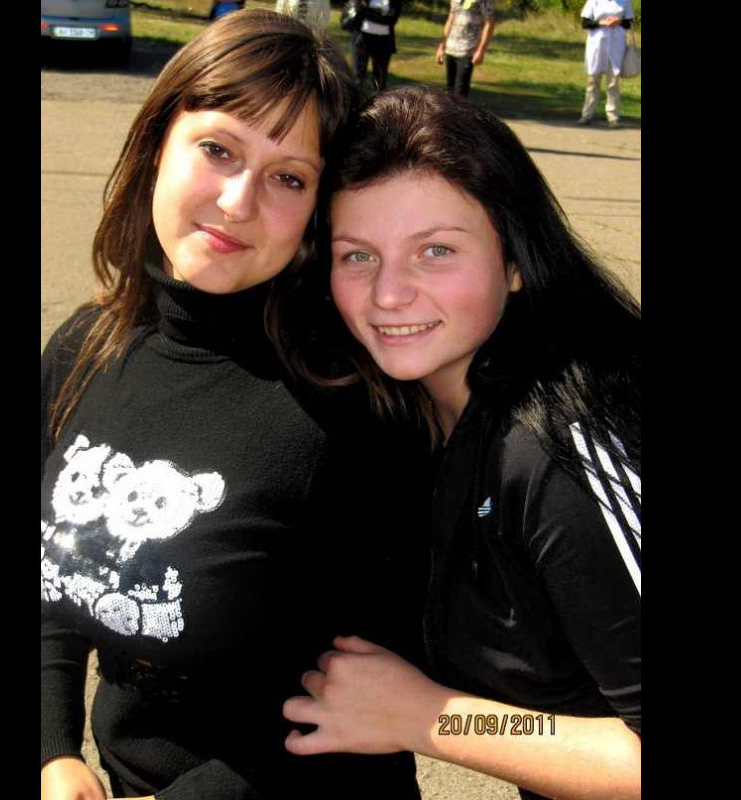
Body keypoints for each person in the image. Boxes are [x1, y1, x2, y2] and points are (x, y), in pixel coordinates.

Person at [41, 11, 425, 800]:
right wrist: (53, 753)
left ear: (319, 210)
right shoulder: (86, 348)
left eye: (289, 177)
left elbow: (355, 716)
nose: (238, 200)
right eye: (218, 149)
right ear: (157, 143)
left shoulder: (349, 410)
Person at [282, 86, 641, 800]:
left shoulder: (562, 449)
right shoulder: (413, 414)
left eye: (436, 251)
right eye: (357, 256)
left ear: (516, 260)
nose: (389, 294)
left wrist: (430, 718)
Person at [577, 0, 635, 128]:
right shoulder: (594, 1)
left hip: (616, 44)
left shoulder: (625, 1)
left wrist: (618, 21)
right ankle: (587, 114)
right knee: (593, 81)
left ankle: (612, 117)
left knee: (613, 82)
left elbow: (629, 23)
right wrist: (601, 22)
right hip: (597, 44)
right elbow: (585, 23)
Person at [436, 0, 495, 99]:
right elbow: (450, 19)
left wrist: (481, 50)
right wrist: (442, 46)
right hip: (451, 48)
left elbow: (490, 23)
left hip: (467, 50)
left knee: (460, 94)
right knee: (449, 92)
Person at [349, 0, 403, 93]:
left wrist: (368, 12)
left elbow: (391, 19)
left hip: (384, 41)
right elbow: (358, 10)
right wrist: (380, 15)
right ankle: (356, 100)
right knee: (358, 77)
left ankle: (379, 100)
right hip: (362, 39)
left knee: (380, 79)